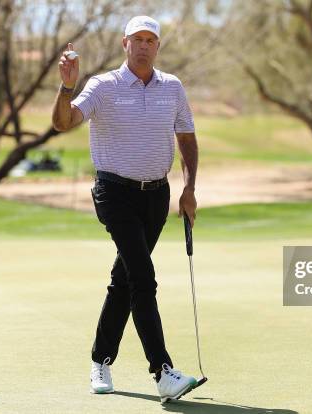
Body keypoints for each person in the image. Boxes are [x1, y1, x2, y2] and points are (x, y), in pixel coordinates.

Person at [51, 15, 199, 403]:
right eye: (138, 39)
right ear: (124, 44)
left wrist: (190, 190)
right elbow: (63, 123)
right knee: (143, 277)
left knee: (125, 280)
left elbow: (186, 137)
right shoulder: (103, 86)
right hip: (114, 193)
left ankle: (100, 360)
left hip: (157, 197)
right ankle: (163, 372)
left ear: (158, 46)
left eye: (152, 39)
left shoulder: (172, 87)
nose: (145, 45)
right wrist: (67, 87)